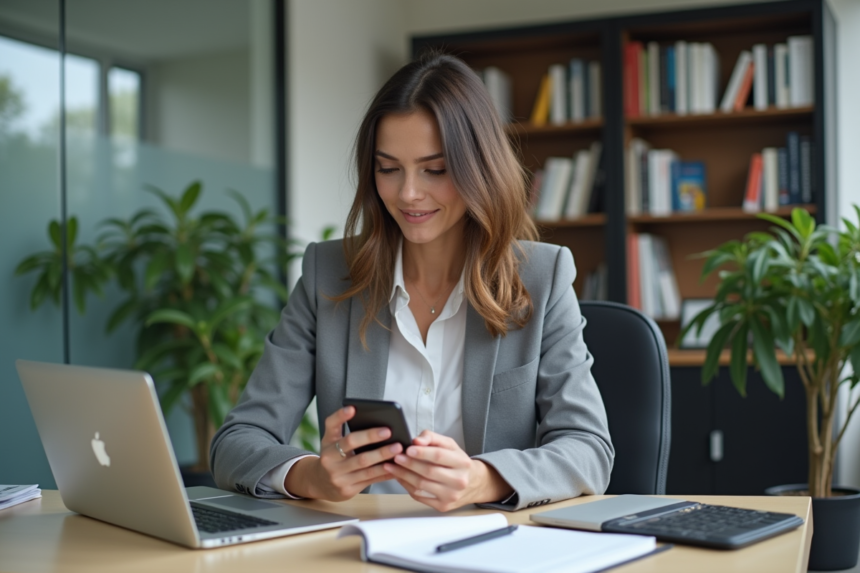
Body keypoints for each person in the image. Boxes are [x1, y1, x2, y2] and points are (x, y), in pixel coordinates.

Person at [210, 52, 614, 512]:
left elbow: (589, 451)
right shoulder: (329, 273)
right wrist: (313, 476)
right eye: (388, 168)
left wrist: (483, 479)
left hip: (489, 546)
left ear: (478, 168)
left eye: (435, 170)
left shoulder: (542, 277)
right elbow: (236, 443)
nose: (407, 193)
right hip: (356, 546)